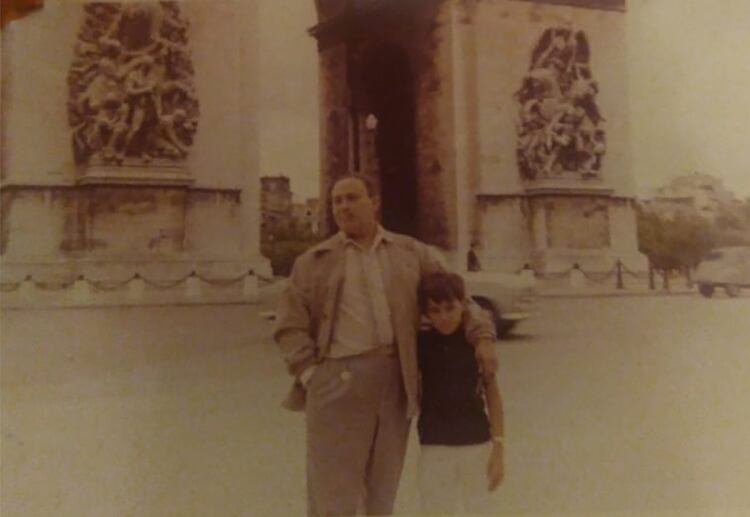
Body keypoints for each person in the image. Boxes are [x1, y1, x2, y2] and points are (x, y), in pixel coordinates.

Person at [274, 172, 498, 516]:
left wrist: (482, 336)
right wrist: (310, 375)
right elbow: (289, 325)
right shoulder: (312, 261)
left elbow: (459, 297)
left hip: (395, 382)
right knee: (333, 491)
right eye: (337, 201)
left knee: (383, 489)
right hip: (337, 380)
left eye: (352, 198)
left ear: (374, 202)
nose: (343, 207)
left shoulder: (411, 252)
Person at [416, 271, 505, 514]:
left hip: (476, 443)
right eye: (435, 310)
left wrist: (498, 447)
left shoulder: (475, 342)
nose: (443, 317)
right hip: (434, 445)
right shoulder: (420, 345)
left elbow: (492, 394)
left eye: (449, 308)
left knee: (481, 510)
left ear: (462, 306)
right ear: (426, 313)